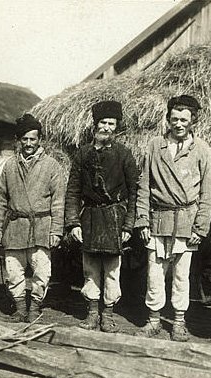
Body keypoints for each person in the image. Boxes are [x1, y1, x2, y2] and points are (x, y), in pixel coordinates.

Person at [135, 94, 211, 342]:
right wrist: (142, 220)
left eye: (184, 119)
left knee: (182, 275)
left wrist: (200, 227)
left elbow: (208, 192)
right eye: (174, 119)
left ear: (193, 122)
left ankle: (179, 321)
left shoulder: (201, 149)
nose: (178, 124)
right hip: (159, 219)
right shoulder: (155, 146)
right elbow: (144, 186)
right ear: (167, 120)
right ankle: (154, 320)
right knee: (155, 273)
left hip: (186, 222)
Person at [64, 100, 138, 333]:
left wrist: (128, 225)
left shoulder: (124, 155)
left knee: (112, 271)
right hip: (90, 218)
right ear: (95, 125)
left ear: (116, 127)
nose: (106, 128)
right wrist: (73, 222)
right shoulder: (82, 154)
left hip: (115, 218)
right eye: (103, 123)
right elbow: (73, 190)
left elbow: (135, 192)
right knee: (90, 269)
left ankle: (108, 315)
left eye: (111, 124)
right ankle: (92, 313)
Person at [0, 113, 65, 322]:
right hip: (15, 227)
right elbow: (1, 199)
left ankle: (35, 308)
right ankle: (21, 307)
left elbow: (58, 202)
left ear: (40, 140)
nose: (29, 143)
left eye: (33, 139)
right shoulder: (10, 165)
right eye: (25, 139)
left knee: (41, 271)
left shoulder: (52, 166)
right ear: (18, 140)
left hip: (41, 226)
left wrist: (56, 230)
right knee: (13, 271)